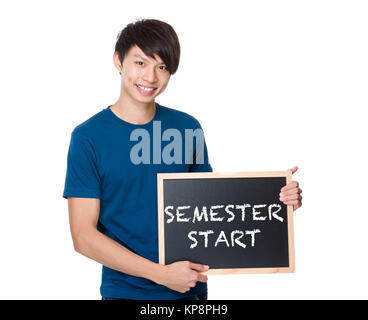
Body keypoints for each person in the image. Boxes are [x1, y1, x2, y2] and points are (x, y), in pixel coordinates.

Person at [62, 19, 302, 300]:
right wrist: (160, 274)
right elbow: (83, 237)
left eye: (161, 66)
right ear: (118, 60)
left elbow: (212, 210)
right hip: (128, 294)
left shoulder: (187, 128)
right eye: (141, 63)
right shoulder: (88, 137)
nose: (151, 77)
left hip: (192, 291)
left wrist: (274, 202)